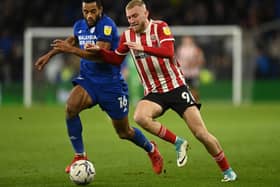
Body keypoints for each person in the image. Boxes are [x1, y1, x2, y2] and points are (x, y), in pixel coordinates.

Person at [84, 0, 237, 182]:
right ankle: (178, 142)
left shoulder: (160, 27)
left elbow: (168, 51)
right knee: (140, 117)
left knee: (201, 133)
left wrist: (144, 48)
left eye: (135, 16)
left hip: (176, 87)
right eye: (129, 17)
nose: (132, 20)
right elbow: (117, 59)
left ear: (145, 13)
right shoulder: (127, 36)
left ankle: (228, 171)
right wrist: (99, 52)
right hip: (154, 92)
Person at [34, 0, 165, 175]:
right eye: (86, 11)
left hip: (111, 85)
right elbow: (71, 41)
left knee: (124, 132)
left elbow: (100, 56)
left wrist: (70, 50)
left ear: (100, 10)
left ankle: (151, 149)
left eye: (93, 11)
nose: (89, 15)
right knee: (71, 108)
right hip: (89, 80)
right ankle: (80, 156)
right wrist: (49, 55)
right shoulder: (79, 26)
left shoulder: (107, 26)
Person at [176, 36, 205, 102]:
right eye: (185, 39)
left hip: (193, 73)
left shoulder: (196, 49)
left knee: (194, 89)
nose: (186, 41)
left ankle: (195, 102)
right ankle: (185, 102)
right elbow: (176, 60)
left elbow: (201, 60)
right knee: (183, 89)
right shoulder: (180, 49)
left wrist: (193, 63)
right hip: (184, 73)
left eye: (187, 39)